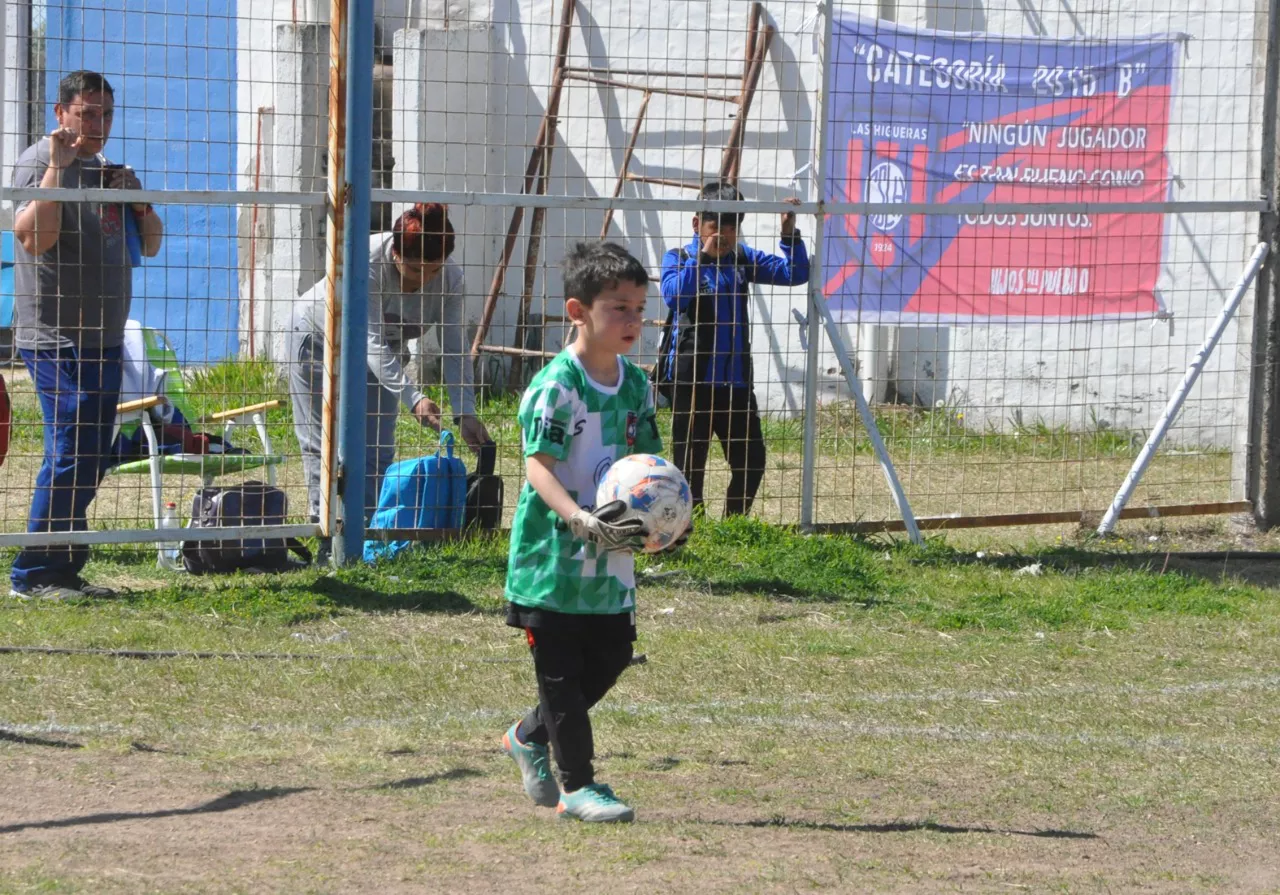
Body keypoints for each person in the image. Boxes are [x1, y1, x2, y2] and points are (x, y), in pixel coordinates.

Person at [500, 241, 670, 823]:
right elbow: (537, 466)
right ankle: (579, 786)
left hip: (611, 557)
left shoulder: (636, 385)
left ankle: (526, 735)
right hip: (552, 560)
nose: (633, 321)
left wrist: (666, 517)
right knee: (562, 676)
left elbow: (650, 461)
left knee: (613, 656)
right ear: (579, 311)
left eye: (640, 309)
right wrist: (576, 517)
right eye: (619, 308)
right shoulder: (557, 386)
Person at [8, 70, 164, 600]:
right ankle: (34, 574)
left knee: (95, 451)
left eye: (106, 114)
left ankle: (64, 565)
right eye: (86, 113)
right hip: (57, 336)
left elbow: (154, 243)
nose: (98, 124)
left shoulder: (104, 169)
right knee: (71, 447)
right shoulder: (40, 163)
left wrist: (139, 201)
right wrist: (57, 165)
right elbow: (34, 238)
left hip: (104, 336)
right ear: (61, 114)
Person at [287, 202, 490, 531]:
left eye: (433, 270)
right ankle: (324, 525)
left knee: (377, 446)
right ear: (395, 253)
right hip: (320, 338)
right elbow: (370, 341)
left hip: (385, 352)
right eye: (413, 271)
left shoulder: (452, 280)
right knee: (320, 439)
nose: (422, 280)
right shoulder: (367, 262)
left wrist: (464, 412)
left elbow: (455, 348)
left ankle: (365, 530)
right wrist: (414, 397)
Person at [658, 181, 808, 518]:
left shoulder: (742, 259)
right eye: (715, 226)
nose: (723, 235)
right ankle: (690, 525)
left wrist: (789, 234)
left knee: (752, 461)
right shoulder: (679, 258)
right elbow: (675, 297)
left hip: (736, 384)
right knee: (689, 466)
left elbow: (795, 273)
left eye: (731, 226)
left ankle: (734, 524)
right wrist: (702, 258)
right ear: (697, 224)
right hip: (692, 382)